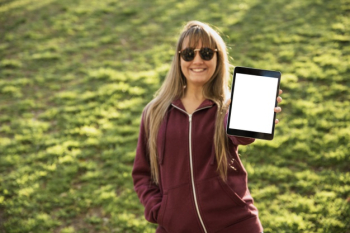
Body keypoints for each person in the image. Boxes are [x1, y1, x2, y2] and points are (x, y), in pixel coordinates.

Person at [132, 20, 282, 233]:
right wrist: (160, 210)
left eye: (206, 53)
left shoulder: (228, 106)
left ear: (217, 57)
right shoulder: (154, 112)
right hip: (176, 228)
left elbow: (242, 138)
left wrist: (253, 117)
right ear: (179, 58)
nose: (197, 60)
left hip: (236, 225)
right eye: (188, 54)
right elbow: (142, 173)